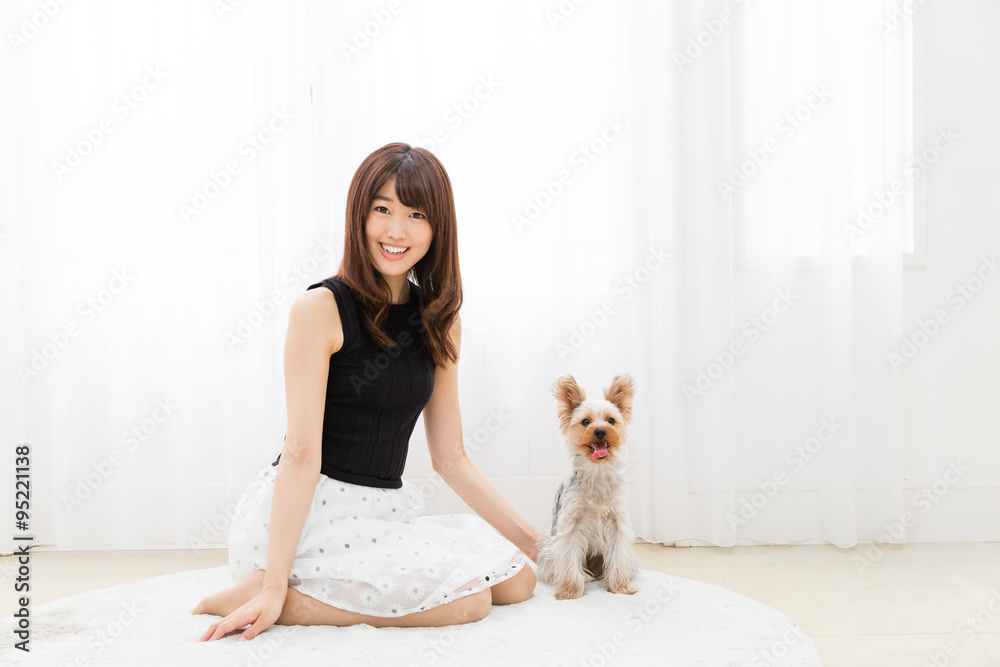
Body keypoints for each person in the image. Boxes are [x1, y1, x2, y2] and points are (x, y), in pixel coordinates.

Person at [193, 142, 544, 642]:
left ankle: (295, 585)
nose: (396, 231)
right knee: (469, 602)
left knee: (518, 580)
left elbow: (451, 457)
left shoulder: (440, 320)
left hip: (379, 514)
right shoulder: (319, 310)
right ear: (359, 216)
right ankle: (280, 591)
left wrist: (535, 543)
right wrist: (274, 587)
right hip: (312, 513)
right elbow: (298, 454)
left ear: (437, 227)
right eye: (382, 209)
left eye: (416, 214)